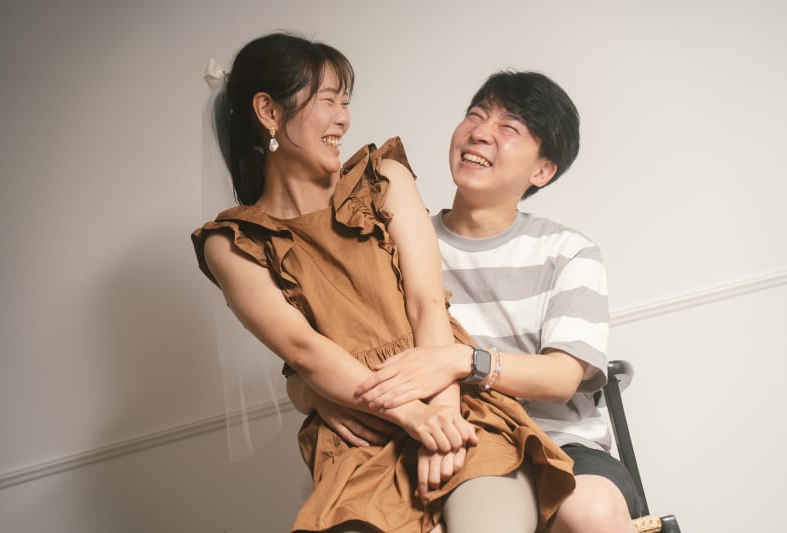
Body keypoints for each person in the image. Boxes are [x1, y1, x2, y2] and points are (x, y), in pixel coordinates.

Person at [192, 33, 574, 533]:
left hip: (454, 406)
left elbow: (426, 304)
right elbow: (303, 350)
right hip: (359, 434)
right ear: (268, 111)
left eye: (345, 102)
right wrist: (412, 417)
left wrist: (442, 418)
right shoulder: (232, 243)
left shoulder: (383, 179)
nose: (343, 118)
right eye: (328, 100)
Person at [302, 71, 642, 533]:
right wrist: (323, 395)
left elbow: (563, 377)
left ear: (542, 171)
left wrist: (462, 360)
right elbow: (314, 358)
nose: (481, 132)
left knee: (593, 511)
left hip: (559, 443)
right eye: (476, 116)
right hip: (436, 444)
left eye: (509, 127)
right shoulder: (393, 243)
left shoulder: (568, 252)